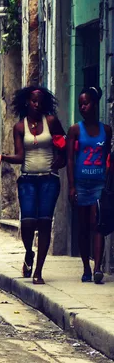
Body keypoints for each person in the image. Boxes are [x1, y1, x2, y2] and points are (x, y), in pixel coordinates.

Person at [0, 86, 67, 285]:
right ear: (27, 102)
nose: (37, 104)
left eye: (40, 101)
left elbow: (64, 145)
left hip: (49, 179)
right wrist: (2, 157)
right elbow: (20, 156)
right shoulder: (19, 127)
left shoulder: (51, 122)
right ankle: (28, 253)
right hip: (28, 180)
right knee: (28, 223)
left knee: (44, 222)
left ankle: (38, 271)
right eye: (33, 101)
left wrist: (61, 160)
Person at [67, 87, 112, 284]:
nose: (82, 108)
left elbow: (108, 158)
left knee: (98, 225)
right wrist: (71, 186)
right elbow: (70, 159)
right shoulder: (75, 130)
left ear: (94, 104)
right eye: (80, 105)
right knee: (83, 227)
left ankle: (97, 268)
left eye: (85, 103)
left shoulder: (107, 130)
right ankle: (85, 266)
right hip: (81, 184)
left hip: (99, 185)